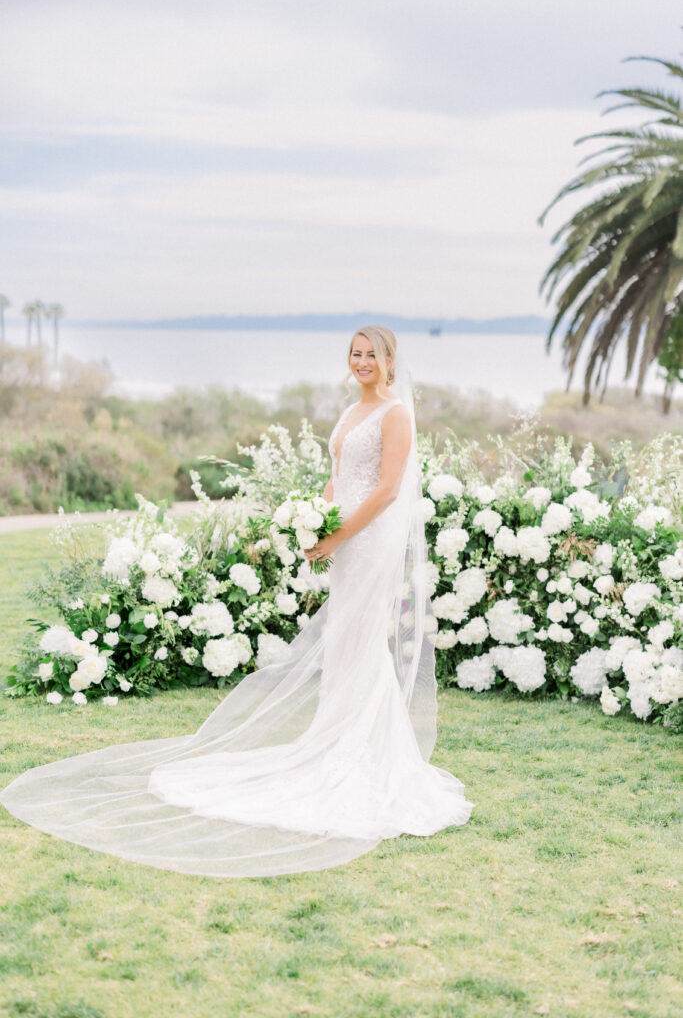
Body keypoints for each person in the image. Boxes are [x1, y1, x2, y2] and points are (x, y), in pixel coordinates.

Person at [0, 325, 473, 877]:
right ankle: (337, 741)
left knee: (359, 640)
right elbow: (338, 477)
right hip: (340, 536)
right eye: (355, 353)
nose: (362, 361)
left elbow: (388, 489)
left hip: (368, 540)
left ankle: (365, 756)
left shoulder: (395, 414)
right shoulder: (350, 411)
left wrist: (339, 534)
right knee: (344, 643)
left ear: (391, 361)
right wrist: (310, 519)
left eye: (372, 355)